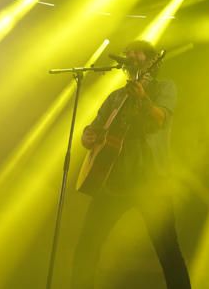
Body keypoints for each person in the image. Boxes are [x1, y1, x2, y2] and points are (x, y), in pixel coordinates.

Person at [71, 40, 191, 289]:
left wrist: (144, 99)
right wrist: (87, 136)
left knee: (168, 253)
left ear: (151, 60)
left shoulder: (164, 88)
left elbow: (159, 120)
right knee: (87, 245)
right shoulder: (116, 97)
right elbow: (95, 128)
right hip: (113, 181)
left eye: (138, 53)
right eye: (129, 53)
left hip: (151, 182)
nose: (131, 56)